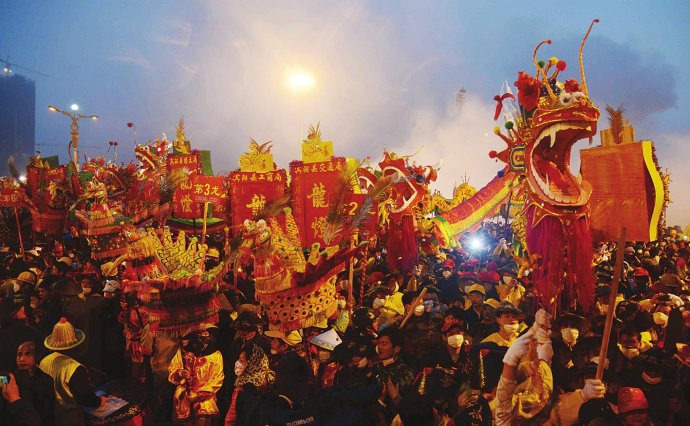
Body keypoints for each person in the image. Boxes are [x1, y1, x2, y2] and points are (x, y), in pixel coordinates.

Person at [38, 317, 105, 426]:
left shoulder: (44, 360)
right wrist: (99, 401)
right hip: (69, 417)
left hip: (48, 415)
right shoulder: (75, 368)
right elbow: (85, 397)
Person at [168, 323, 225, 425]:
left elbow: (217, 380)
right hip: (184, 398)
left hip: (205, 400)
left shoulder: (215, 355)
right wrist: (180, 373)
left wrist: (198, 395)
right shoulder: (184, 353)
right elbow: (172, 371)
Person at [372, 326, 415, 423]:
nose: (379, 347)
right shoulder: (377, 366)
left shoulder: (406, 373)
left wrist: (395, 398)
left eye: (384, 344)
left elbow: (408, 409)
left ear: (397, 349)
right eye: (379, 343)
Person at [224, 344, 275, 426]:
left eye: (242, 360)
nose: (238, 363)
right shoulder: (270, 379)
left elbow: (231, 418)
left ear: (252, 362)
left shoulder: (242, 386)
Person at [14, 340, 55, 426]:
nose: (22, 359)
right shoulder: (8, 378)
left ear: (37, 356)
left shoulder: (47, 380)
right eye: (19, 354)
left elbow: (49, 412)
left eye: (28, 354)